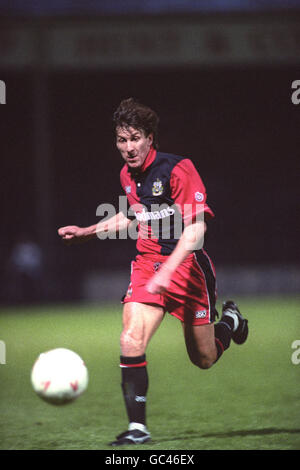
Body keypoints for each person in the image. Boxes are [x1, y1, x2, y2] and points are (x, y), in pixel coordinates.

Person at [58, 98, 248, 446]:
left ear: (149, 138)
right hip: (147, 265)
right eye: (121, 140)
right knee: (130, 338)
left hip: (187, 268)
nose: (127, 148)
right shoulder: (126, 175)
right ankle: (138, 429)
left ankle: (230, 322)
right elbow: (134, 216)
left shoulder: (178, 169)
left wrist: (168, 271)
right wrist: (86, 232)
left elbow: (196, 230)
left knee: (204, 358)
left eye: (134, 139)